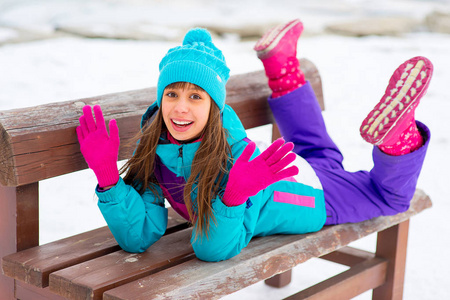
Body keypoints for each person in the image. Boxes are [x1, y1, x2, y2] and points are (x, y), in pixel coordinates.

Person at [76, 20, 432, 262]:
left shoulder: (233, 154)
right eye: (172, 94)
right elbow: (138, 236)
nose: (180, 108)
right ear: (160, 97)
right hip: (290, 173)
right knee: (318, 153)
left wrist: (233, 196)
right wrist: (108, 179)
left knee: (390, 197)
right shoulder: (155, 152)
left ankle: (399, 139)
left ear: (215, 107)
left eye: (196, 97)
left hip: (301, 196)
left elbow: (213, 249)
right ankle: (281, 66)